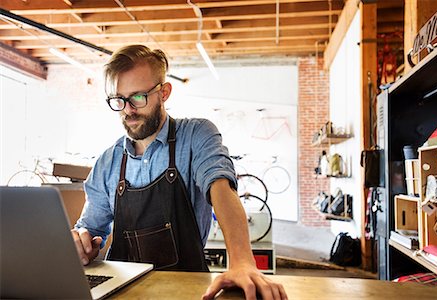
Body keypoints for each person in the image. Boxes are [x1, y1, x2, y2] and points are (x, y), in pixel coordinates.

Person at [71, 45, 287, 300]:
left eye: (138, 98)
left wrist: (242, 262)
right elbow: (90, 228)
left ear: (164, 92)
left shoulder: (196, 135)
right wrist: (80, 244)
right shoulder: (107, 162)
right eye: (119, 100)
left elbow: (220, 186)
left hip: (189, 289)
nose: (128, 110)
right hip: (121, 292)